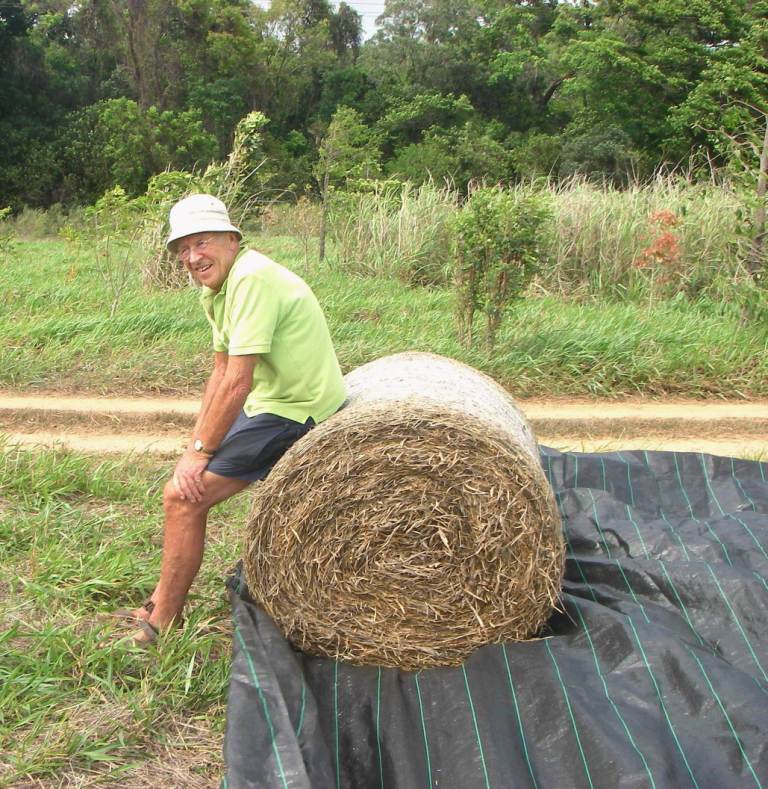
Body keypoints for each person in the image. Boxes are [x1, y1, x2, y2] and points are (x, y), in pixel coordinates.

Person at [119, 193, 346, 646]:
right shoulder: (219, 288)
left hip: (298, 411)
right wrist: (194, 446)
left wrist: (199, 455)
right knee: (183, 485)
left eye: (201, 242)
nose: (192, 256)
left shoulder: (252, 279)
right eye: (182, 249)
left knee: (183, 499)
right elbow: (221, 372)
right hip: (269, 401)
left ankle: (160, 622)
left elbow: (239, 382)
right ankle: (157, 602)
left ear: (231, 238)